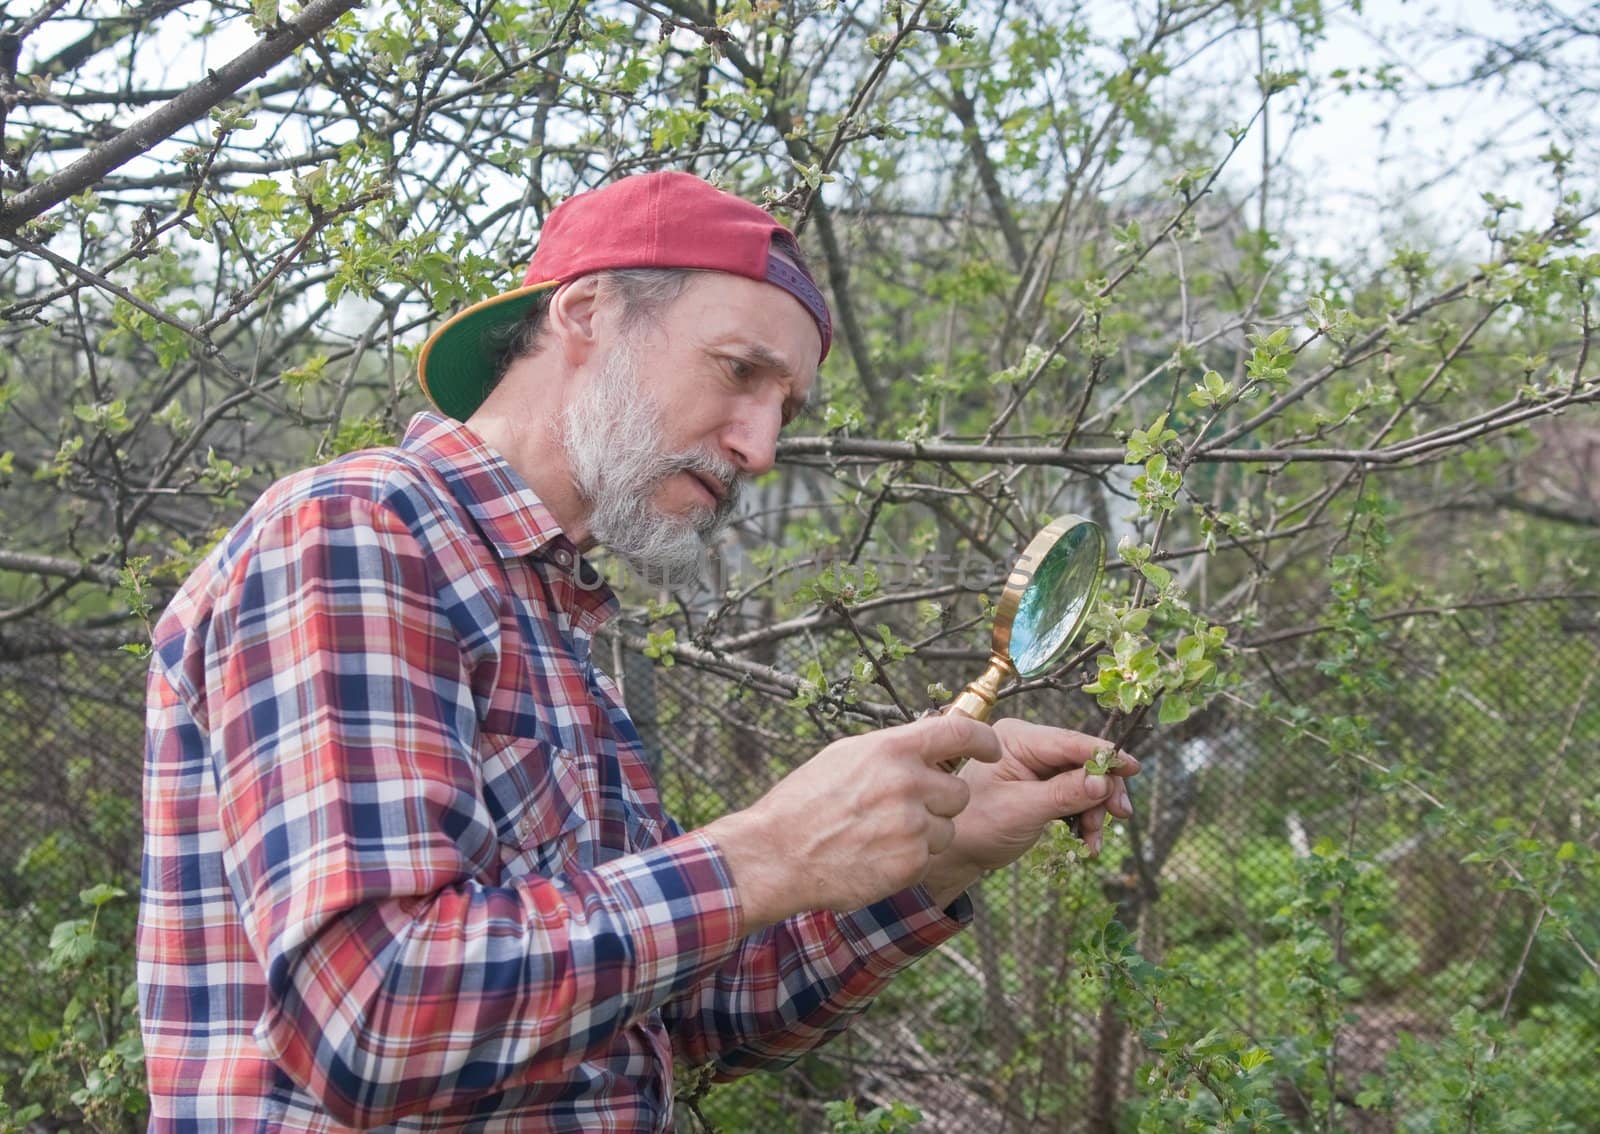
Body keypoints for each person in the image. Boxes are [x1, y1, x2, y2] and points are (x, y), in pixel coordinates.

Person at [138, 171, 1139, 1131]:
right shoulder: (360, 529)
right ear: (587, 314)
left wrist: (934, 857)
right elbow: (371, 1018)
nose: (758, 447)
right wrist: (768, 849)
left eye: (785, 410)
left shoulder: (557, 630)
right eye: (740, 372)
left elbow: (686, 1015)